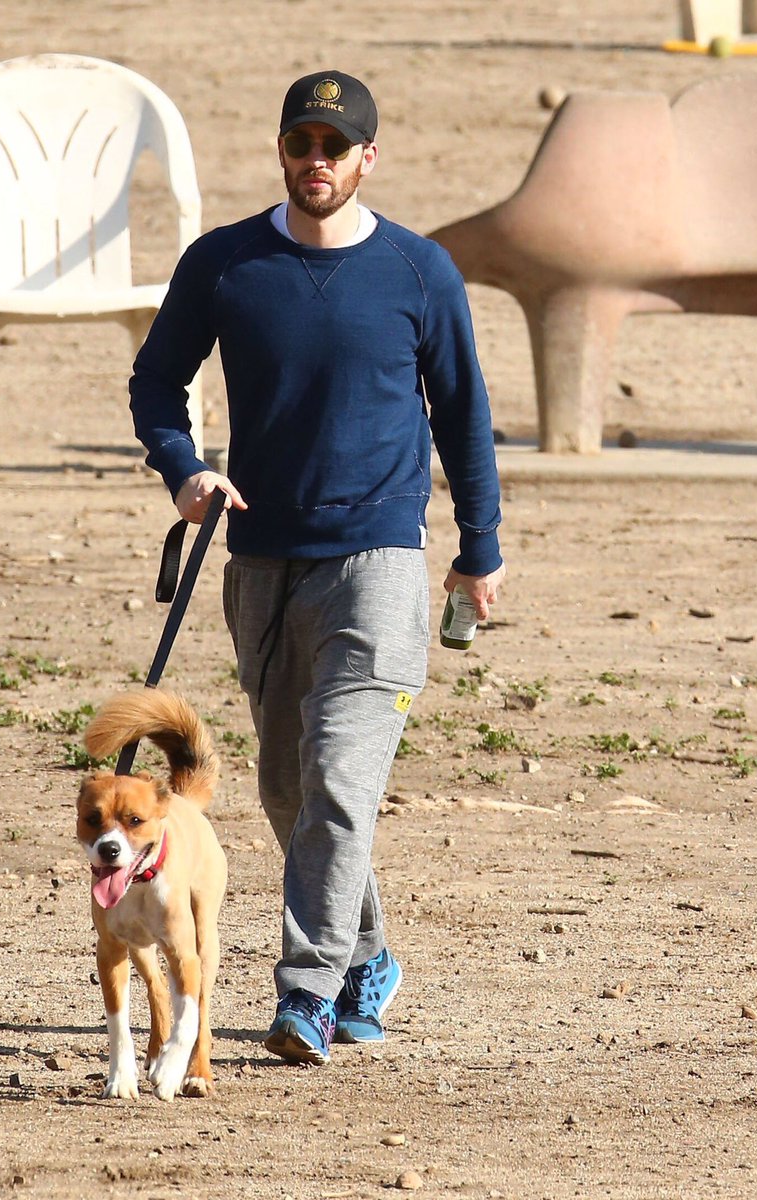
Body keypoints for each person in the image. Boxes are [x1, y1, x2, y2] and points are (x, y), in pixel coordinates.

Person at [129, 69, 505, 1067]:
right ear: (282, 150)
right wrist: (185, 470)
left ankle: (306, 994)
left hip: (379, 560)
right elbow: (157, 381)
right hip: (260, 559)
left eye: (335, 146)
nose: (316, 161)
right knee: (290, 792)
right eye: (301, 143)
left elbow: (464, 414)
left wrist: (479, 547)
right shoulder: (226, 263)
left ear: (367, 158)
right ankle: (367, 956)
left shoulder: (420, 272)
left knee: (339, 781)